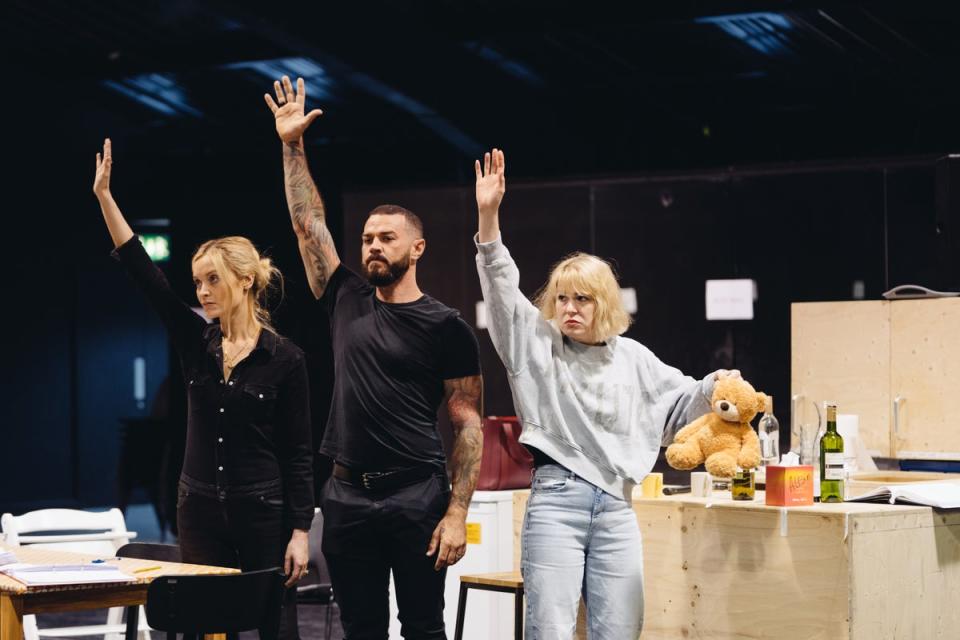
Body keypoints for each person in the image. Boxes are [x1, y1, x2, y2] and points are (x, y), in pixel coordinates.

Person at [474, 148, 743, 639]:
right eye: (562, 298)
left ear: (605, 304)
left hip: (618, 506)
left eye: (582, 298)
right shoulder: (537, 346)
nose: (570, 308)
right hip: (557, 501)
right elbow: (501, 289)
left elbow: (681, 405)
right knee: (550, 630)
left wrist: (718, 384)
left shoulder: (633, 357)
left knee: (621, 630)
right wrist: (489, 218)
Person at [262, 76, 484, 639]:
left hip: (417, 493)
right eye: (366, 238)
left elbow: (468, 425)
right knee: (360, 628)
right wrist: (292, 145)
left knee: (423, 627)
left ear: (417, 248)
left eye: (387, 238)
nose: (373, 247)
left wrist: (457, 513)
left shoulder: (446, 325)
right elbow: (307, 225)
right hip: (345, 493)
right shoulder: (344, 297)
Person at [92, 139, 313, 640]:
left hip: (263, 510)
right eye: (197, 282)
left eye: (213, 279)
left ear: (246, 280)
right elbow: (143, 273)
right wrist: (106, 198)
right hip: (199, 509)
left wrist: (300, 531)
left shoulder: (286, 359)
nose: (204, 291)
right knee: (202, 627)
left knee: (274, 627)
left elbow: (298, 454)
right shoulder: (196, 342)